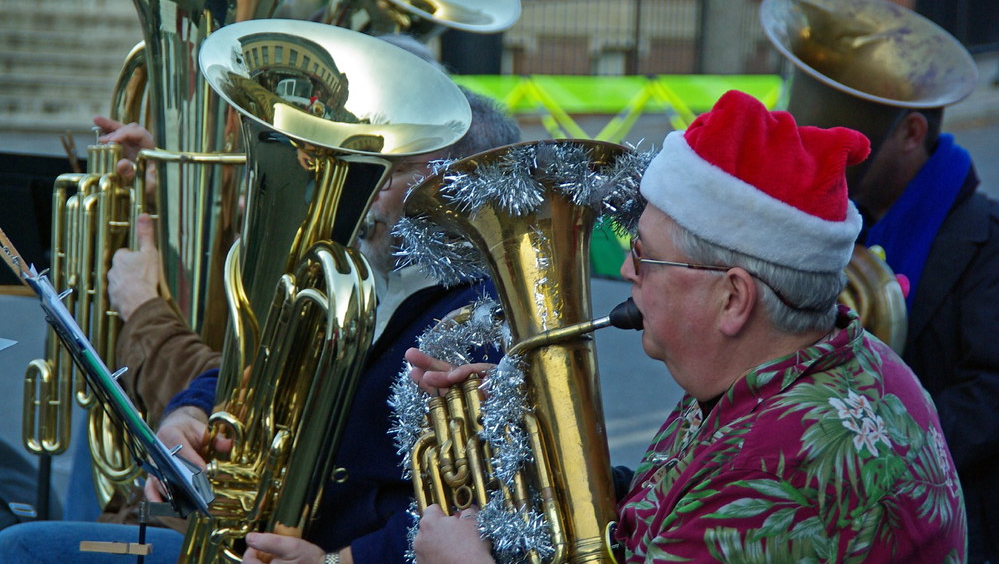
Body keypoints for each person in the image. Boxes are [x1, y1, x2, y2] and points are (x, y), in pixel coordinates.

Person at [407, 90, 967, 563]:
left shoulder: (771, 474)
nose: (626, 270)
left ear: (733, 298)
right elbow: (678, 496)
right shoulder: (828, 358)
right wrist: (523, 440)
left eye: (647, 256)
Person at [0, 87, 519, 564]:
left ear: (461, 188)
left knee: (16, 550)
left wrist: (341, 560)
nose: (369, 183)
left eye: (397, 169)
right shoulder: (361, 275)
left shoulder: (480, 313)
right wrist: (189, 410)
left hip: (302, 547)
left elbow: (483, 498)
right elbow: (255, 367)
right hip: (250, 526)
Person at [787, 72, 999, 564]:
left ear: (911, 133)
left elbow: (990, 391)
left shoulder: (987, 242)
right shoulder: (837, 232)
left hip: (948, 522)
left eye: (854, 138)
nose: (834, 153)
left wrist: (870, 453)